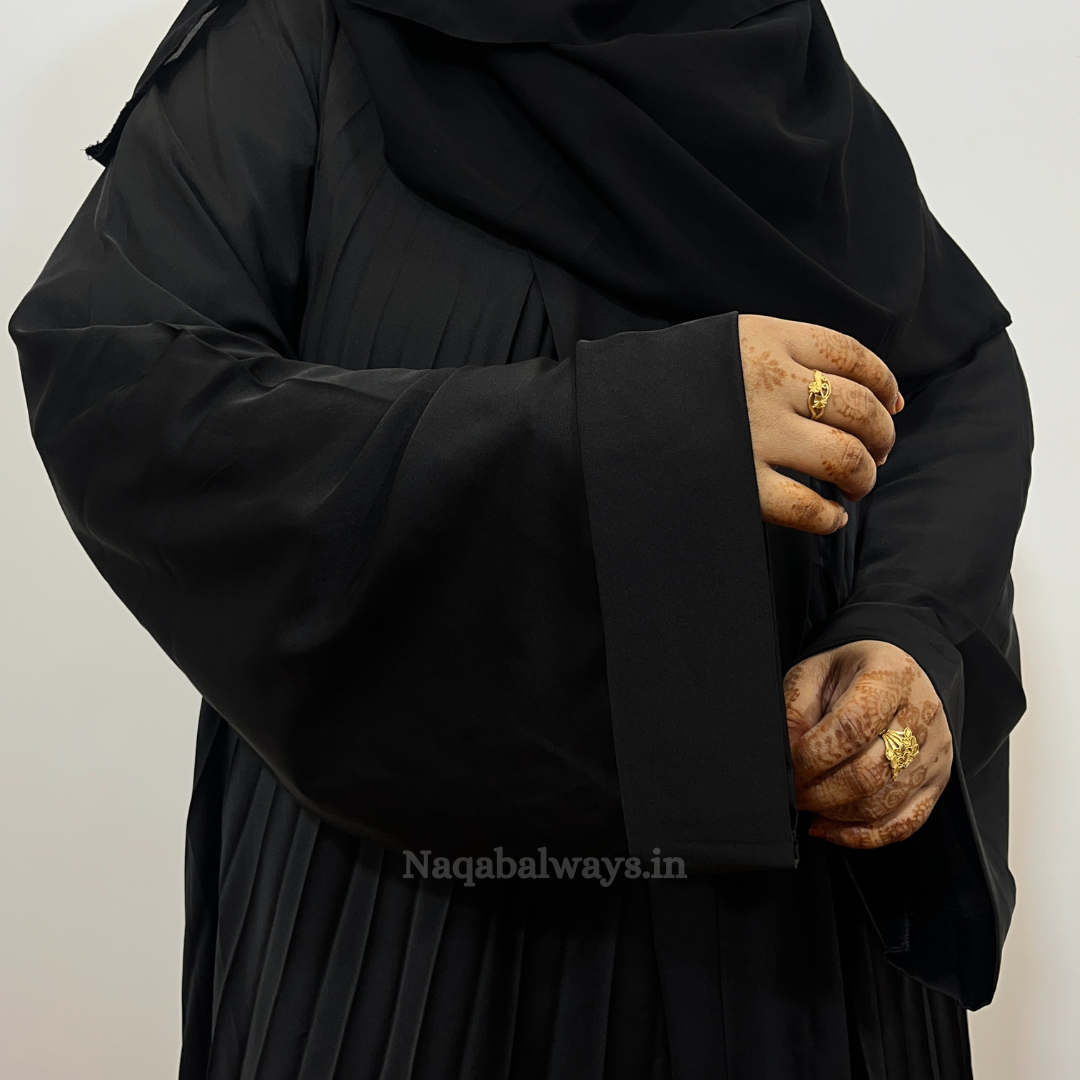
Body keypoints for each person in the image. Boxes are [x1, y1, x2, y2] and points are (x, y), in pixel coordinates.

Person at [10, 0, 1032, 1077]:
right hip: (413, 928)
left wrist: (911, 630)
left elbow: (951, 372)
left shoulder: (764, 53)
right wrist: (637, 436)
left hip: (793, 947)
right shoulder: (308, 36)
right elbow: (124, 386)